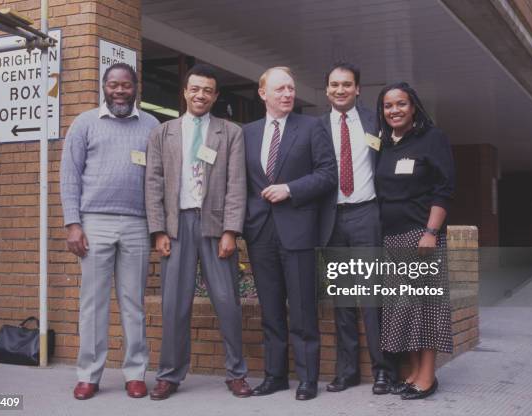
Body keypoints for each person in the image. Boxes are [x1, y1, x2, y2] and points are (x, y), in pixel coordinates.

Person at [145, 64, 250, 400]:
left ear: (215, 95)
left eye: (207, 90)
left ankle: (236, 374)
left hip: (215, 226)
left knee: (227, 302)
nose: (201, 95)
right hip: (176, 226)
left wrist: (231, 231)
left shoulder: (230, 132)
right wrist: (158, 230)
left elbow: (237, 184)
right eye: (195, 89)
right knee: (174, 304)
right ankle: (169, 375)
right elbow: (154, 183)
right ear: (185, 92)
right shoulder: (164, 133)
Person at [60, 63, 159, 400]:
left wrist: (157, 226)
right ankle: (89, 374)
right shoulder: (85, 123)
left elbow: (158, 179)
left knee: (133, 303)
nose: (120, 91)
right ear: (104, 86)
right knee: (93, 302)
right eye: (114, 85)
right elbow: (69, 176)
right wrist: (73, 223)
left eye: (126, 85)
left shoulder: (151, 125)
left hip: (137, 223)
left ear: (136, 88)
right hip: (94, 223)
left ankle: (135, 373)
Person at [243, 67, 337, 401]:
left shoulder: (312, 127)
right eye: (280, 89)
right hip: (260, 233)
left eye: (291, 88)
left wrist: (290, 189)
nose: (287, 94)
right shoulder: (248, 133)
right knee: (270, 310)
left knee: (302, 310)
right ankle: (275, 376)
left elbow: (328, 175)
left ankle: (308, 379)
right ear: (262, 93)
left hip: (298, 231)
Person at [320, 62, 398, 394]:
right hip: (331, 218)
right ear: (326, 90)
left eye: (347, 84)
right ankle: (347, 371)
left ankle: (384, 371)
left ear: (357, 89)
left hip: (367, 214)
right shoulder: (316, 127)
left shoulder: (375, 121)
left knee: (370, 298)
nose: (340, 90)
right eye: (334, 85)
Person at [374, 82, 455, 400]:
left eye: (401, 104)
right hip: (391, 237)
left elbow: (443, 189)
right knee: (403, 309)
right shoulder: (385, 145)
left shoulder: (432, 139)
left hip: (420, 236)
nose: (394, 110)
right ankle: (411, 372)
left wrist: (431, 232)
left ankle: (428, 377)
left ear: (414, 106)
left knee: (426, 309)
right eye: (388, 105)